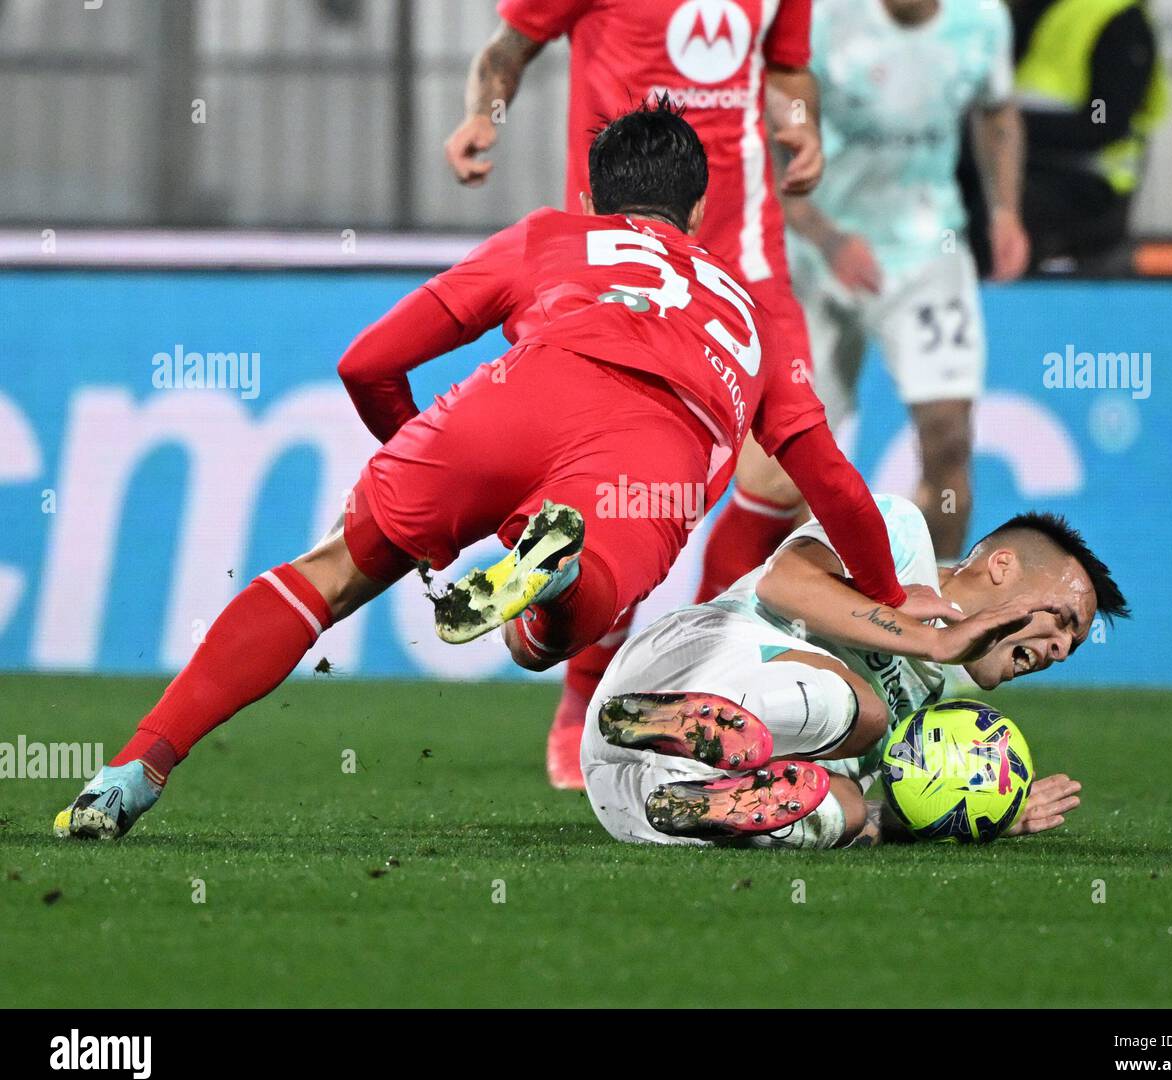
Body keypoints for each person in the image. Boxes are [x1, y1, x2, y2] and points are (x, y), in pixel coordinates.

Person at [54, 102, 954, 842]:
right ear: (697, 208)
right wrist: (884, 594)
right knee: (554, 637)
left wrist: (419, 465)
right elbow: (828, 477)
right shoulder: (756, 309)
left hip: (514, 398)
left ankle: (132, 768)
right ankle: (554, 578)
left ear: (597, 197)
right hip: (655, 451)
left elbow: (366, 363)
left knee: (323, 576)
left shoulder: (550, 238)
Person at [445, 0, 831, 787]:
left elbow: (788, 70)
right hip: (625, 260)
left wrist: (801, 123)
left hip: (743, 258)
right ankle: (585, 696)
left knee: (782, 472)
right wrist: (484, 117)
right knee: (612, 488)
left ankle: (693, 674)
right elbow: (508, 51)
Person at [581, 495, 1128, 848]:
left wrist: (975, 814)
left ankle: (702, 800)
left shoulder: (926, 715)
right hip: (674, 670)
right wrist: (933, 640)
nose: (1058, 649)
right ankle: (674, 724)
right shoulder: (899, 535)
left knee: (842, 806)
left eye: (1071, 647)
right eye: (1062, 619)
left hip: (633, 802)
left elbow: (873, 815)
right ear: (1001, 565)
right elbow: (784, 584)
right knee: (863, 712)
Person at [743, 0, 1030, 574]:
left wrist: (1005, 212)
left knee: (949, 440)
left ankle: (936, 604)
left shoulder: (982, 21)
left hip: (927, 254)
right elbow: (767, 141)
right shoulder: (821, 20)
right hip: (815, 254)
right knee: (787, 460)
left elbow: (997, 113)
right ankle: (812, 615)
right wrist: (826, 238)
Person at [1010, 0, 1169, 271]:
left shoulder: (1111, 15)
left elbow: (1102, 122)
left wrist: (1010, 131)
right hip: (1015, 170)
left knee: (995, 220)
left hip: (1088, 182)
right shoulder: (1006, 12)